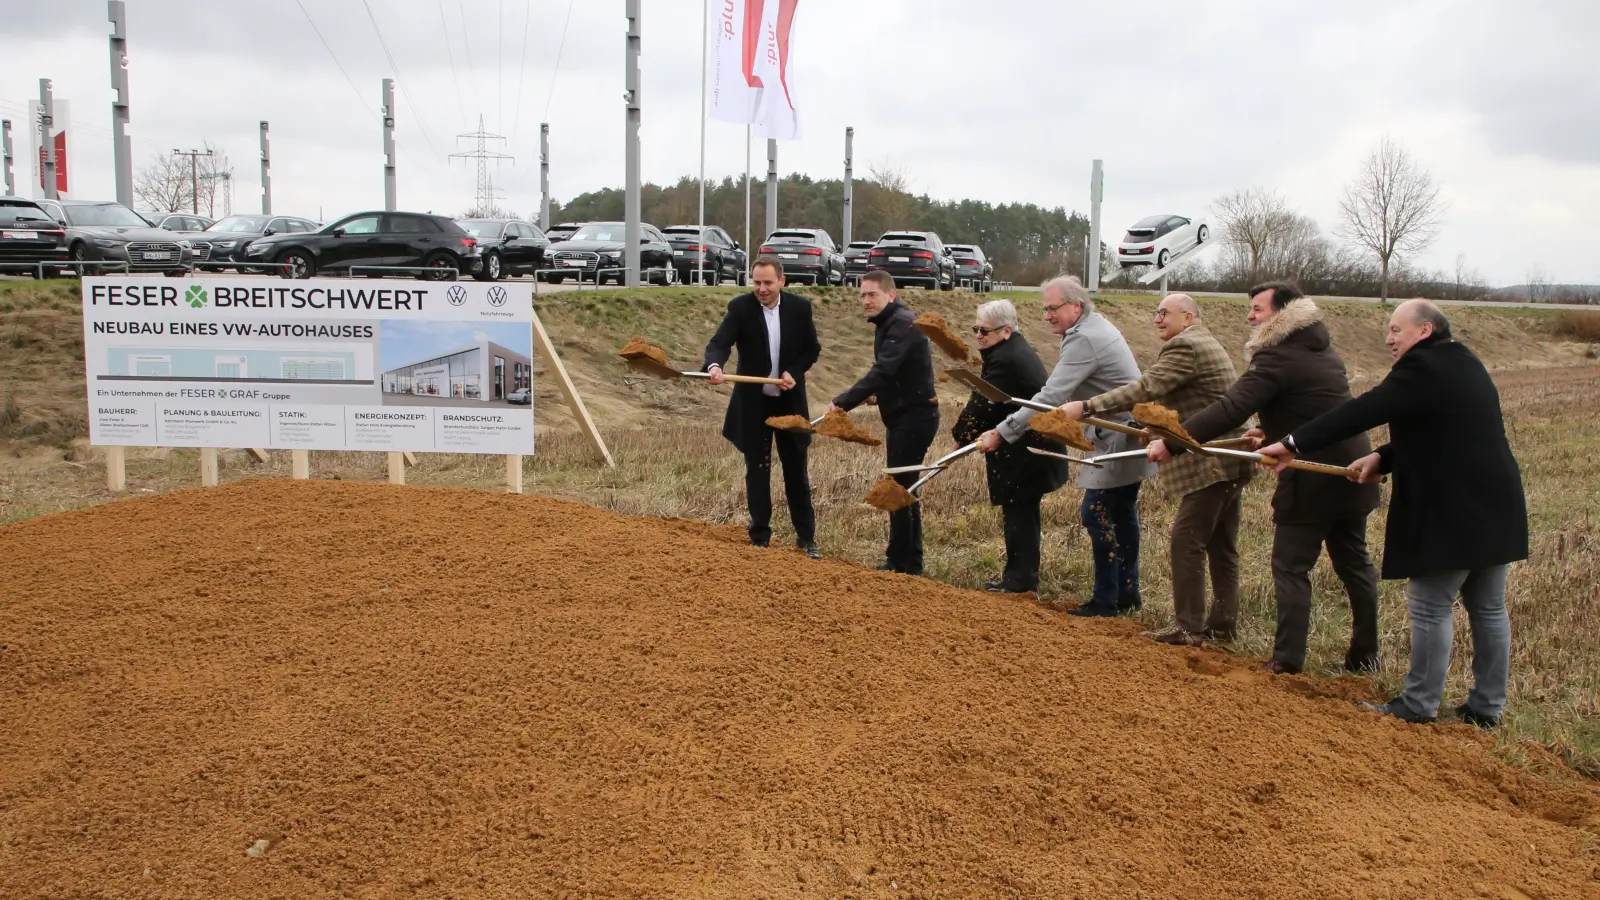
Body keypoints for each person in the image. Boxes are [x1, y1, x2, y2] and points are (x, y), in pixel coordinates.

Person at [1259, 299, 1528, 727]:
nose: (1388, 338)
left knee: (1430, 605)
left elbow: (1363, 410)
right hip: (1497, 503)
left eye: (1396, 330)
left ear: (1425, 330)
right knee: (1489, 607)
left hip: (1450, 510)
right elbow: (1443, 429)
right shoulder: (1463, 362)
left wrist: (1292, 443)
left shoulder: (1421, 367)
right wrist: (1384, 457)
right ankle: (1487, 707)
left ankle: (1418, 705)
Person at [1155, 282, 1381, 674]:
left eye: (1258, 309)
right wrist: (1272, 428)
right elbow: (1313, 404)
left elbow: (1231, 407)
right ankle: (1365, 656)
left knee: (1291, 566)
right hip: (1351, 466)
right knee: (1354, 564)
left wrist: (1174, 441)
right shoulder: (1321, 349)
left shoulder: (1276, 356)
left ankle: (1286, 660)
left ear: (1283, 314)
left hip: (1312, 477)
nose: (1250, 316)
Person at [1059, 293, 1252, 645]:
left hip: (1211, 462)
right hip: (1231, 457)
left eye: (1165, 313)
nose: (1157, 319)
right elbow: (1192, 400)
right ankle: (1222, 627)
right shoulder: (1204, 342)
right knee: (1222, 546)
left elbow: (1146, 387)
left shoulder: (1186, 346)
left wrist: (1087, 406)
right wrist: (1157, 425)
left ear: (1188, 317)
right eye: (1156, 312)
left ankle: (1188, 628)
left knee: (1186, 540)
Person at [977, 275, 1154, 616]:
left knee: (1097, 512)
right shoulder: (1092, 327)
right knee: (1120, 512)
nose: (1046, 316)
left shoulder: (1084, 338)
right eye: (1044, 309)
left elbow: (1050, 396)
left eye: (1052, 308)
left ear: (1075, 306)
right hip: (1126, 430)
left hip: (1118, 436)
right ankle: (1125, 594)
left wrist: (1001, 431)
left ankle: (1106, 601)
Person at [704, 255, 822, 557]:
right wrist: (715, 366)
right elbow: (719, 343)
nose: (761, 288)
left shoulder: (800, 308)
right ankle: (760, 536)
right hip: (753, 405)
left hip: (790, 404)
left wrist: (793, 372)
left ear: (781, 281)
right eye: (756, 282)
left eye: (768, 282)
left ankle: (806, 538)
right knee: (757, 471)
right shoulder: (740, 308)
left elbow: (811, 349)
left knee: (796, 472)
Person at [951, 299, 1069, 593]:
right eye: (976, 329)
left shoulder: (1005, 359)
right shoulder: (1010, 349)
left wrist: (961, 435)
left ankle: (1020, 582)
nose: (979, 336)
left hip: (1027, 450)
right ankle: (1018, 577)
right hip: (1026, 444)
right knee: (1020, 511)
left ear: (1006, 330)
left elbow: (981, 403)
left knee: (1019, 512)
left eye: (985, 331)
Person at [830, 271, 939, 575]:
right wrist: (880, 394)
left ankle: (899, 562)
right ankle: (910, 561)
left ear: (891, 295)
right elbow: (898, 371)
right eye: (862, 295)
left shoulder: (902, 323)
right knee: (905, 487)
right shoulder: (890, 322)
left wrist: (842, 403)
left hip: (914, 418)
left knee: (898, 487)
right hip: (905, 414)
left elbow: (883, 370)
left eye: (872, 295)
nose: (866, 300)